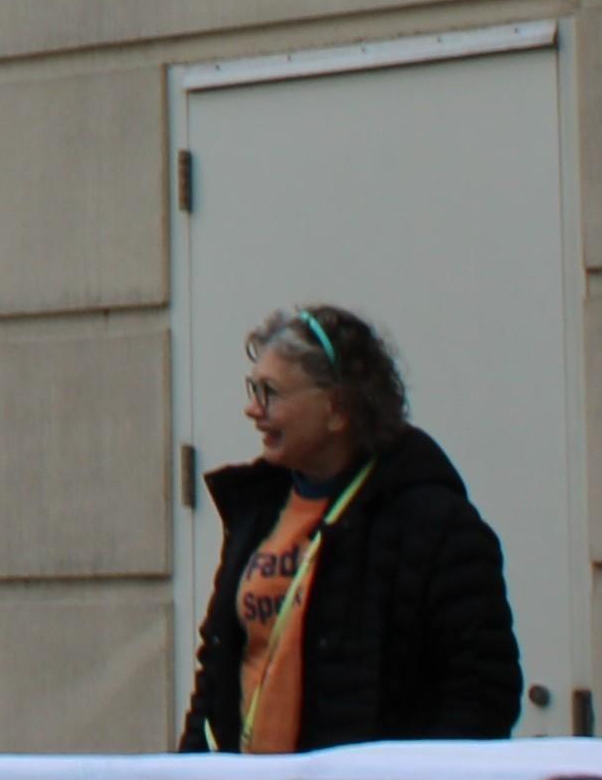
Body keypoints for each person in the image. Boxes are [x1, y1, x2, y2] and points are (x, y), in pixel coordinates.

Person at [180, 302, 519, 753]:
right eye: (252, 389)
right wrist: (191, 777)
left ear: (336, 407)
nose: (251, 409)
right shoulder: (255, 514)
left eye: (270, 393)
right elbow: (217, 670)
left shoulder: (437, 526)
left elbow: (483, 695)